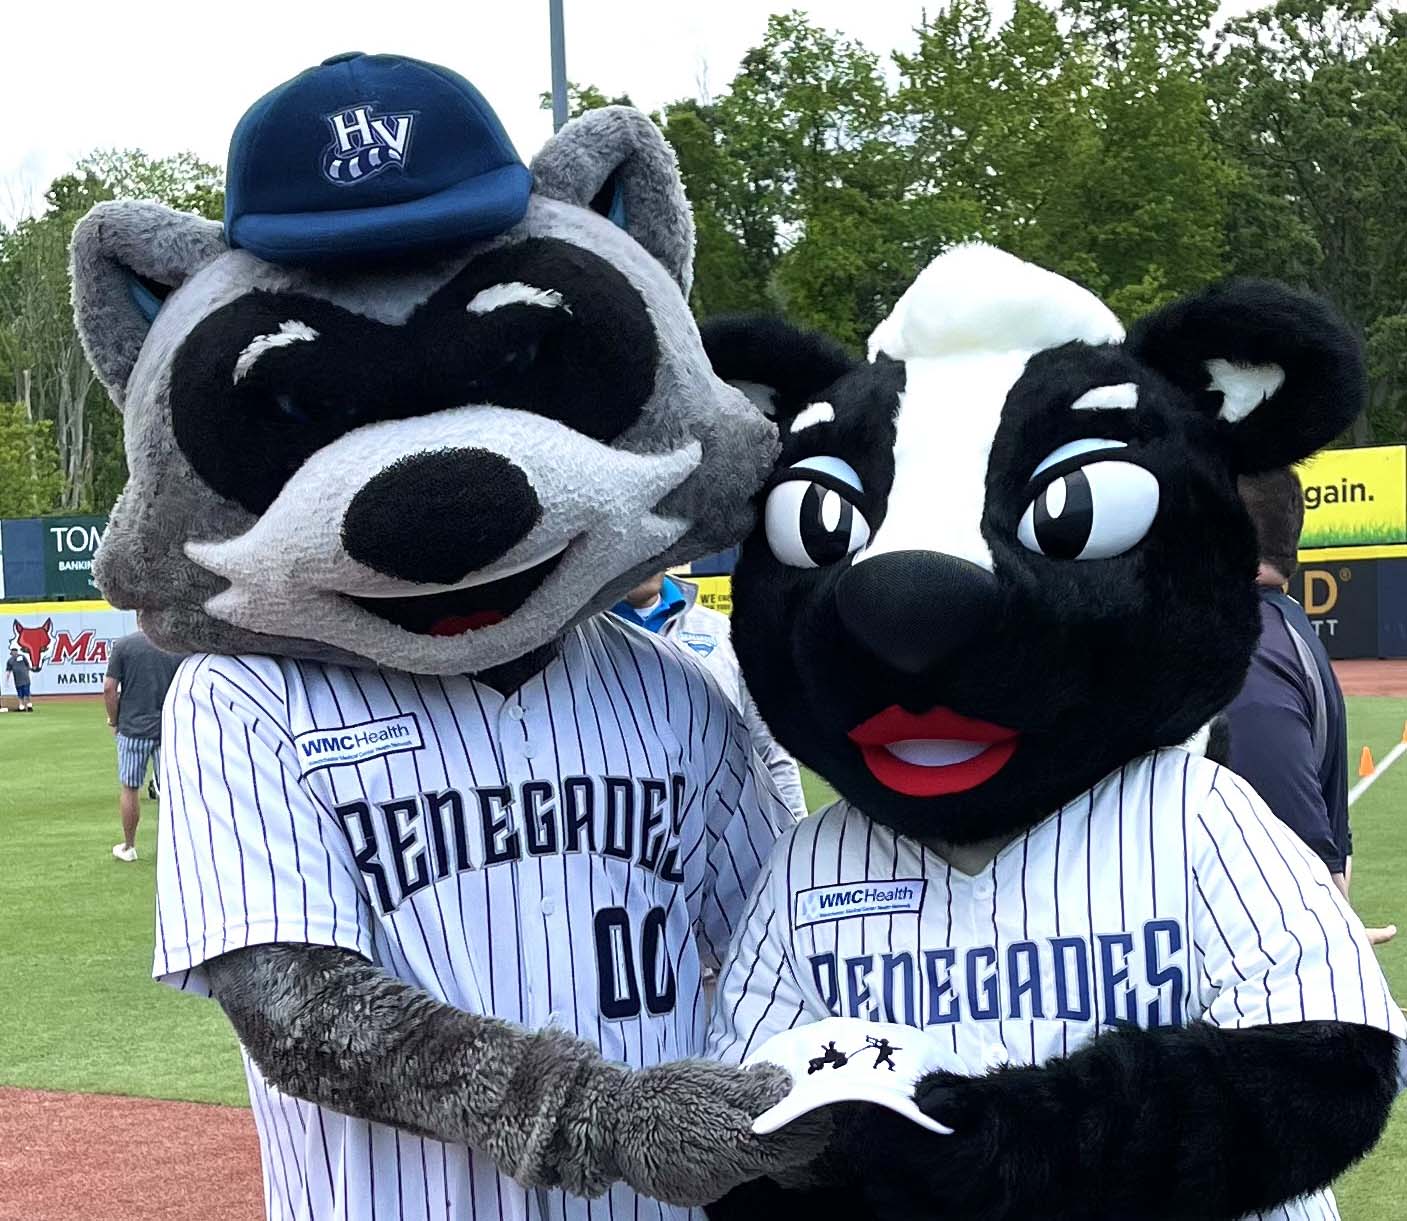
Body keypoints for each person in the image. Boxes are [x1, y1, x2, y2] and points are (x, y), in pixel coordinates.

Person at [1222, 469, 1395, 943]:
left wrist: (1334, 924)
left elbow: (1293, 835)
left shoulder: (1246, 647)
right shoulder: (1284, 625)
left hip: (1257, 958)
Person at [614, 572, 808, 818]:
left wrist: (793, 831)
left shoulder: (723, 633)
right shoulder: (575, 640)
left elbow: (771, 752)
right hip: (623, 838)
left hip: (722, 842)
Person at [104, 629, 181, 862]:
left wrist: (114, 719)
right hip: (168, 727)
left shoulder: (125, 645)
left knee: (130, 788)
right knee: (174, 791)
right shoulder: (177, 644)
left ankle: (129, 846)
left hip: (133, 728)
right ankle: (177, 848)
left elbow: (109, 688)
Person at [6, 645, 34, 711]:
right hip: (18, 680)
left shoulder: (22, 657)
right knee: (20, 694)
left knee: (27, 693)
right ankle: (21, 707)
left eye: (15, 652)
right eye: (13, 652)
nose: (14, 653)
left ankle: (29, 706)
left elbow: (27, 665)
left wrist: (27, 673)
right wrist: (7, 679)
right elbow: (8, 671)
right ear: (11, 653)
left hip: (25, 679)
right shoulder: (10, 661)